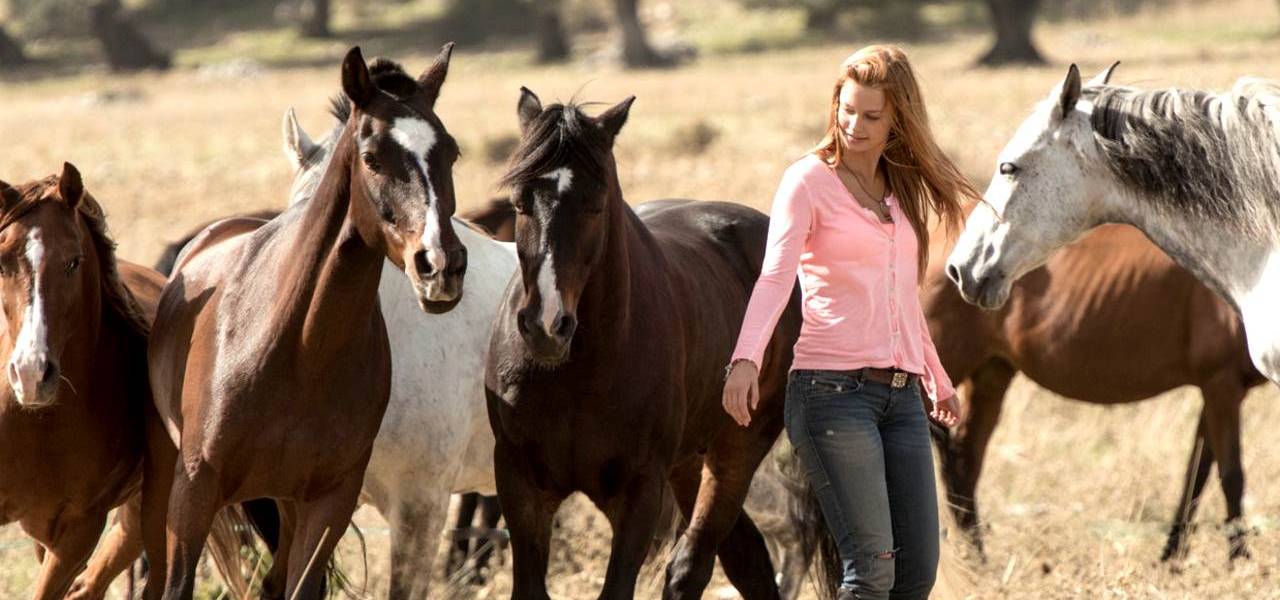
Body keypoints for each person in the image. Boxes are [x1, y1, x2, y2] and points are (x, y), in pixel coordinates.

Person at [722, 44, 977, 600]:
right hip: (830, 394)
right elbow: (774, 278)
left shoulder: (899, 188)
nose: (853, 125)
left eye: (870, 115)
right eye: (846, 109)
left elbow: (903, 300)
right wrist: (745, 358)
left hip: (903, 397)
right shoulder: (808, 181)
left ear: (898, 121)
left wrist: (935, 377)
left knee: (915, 576)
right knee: (871, 572)